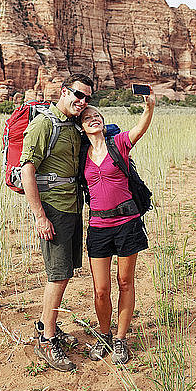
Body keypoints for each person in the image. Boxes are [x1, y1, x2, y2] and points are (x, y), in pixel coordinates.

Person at [20, 73, 94, 372]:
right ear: (64, 92)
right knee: (58, 274)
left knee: (64, 272)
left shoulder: (73, 126)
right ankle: (47, 339)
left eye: (87, 97)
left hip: (72, 207)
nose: (82, 101)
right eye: (77, 95)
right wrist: (40, 216)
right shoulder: (44, 124)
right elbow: (27, 168)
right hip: (54, 209)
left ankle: (46, 325)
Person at [79, 88, 155, 364]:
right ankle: (104, 335)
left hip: (127, 224)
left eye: (97, 115)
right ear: (82, 126)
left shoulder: (118, 143)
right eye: (88, 117)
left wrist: (149, 107)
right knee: (101, 289)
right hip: (98, 226)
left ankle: (120, 339)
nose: (94, 119)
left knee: (125, 282)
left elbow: (139, 128)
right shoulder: (81, 154)